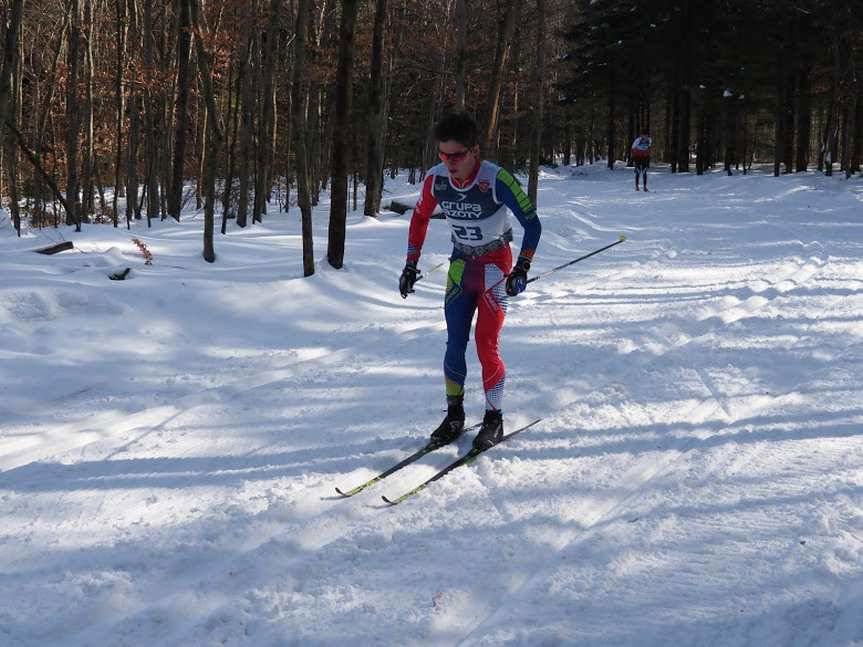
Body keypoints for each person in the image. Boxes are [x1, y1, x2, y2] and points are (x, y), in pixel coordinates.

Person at [399, 112, 542, 451]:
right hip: (460, 266)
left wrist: (522, 267)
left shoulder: (496, 179)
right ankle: (454, 415)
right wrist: (410, 265)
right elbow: (419, 218)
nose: (449, 162)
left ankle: (494, 418)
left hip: (494, 268)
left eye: (457, 155)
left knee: (486, 345)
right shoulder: (436, 179)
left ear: (474, 151)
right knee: (454, 343)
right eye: (443, 154)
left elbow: (532, 224)